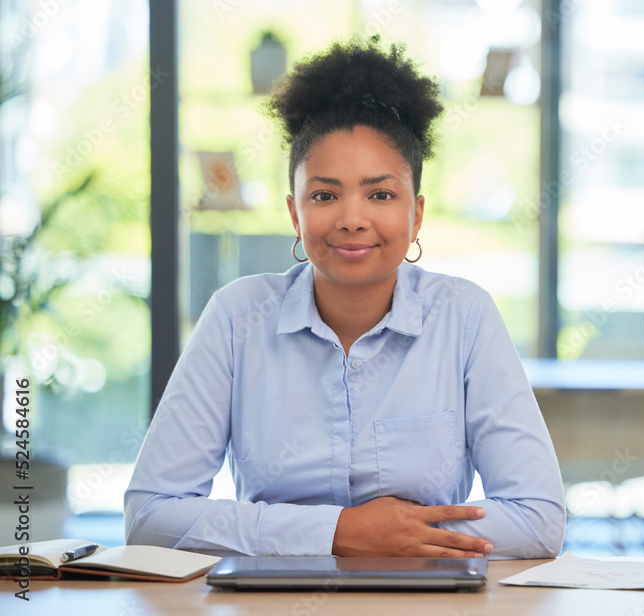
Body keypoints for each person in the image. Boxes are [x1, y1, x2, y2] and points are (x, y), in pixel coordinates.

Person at [124, 37, 565, 559]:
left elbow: (538, 520)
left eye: (380, 194)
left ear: (416, 214)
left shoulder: (464, 318)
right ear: (295, 214)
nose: (353, 218)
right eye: (325, 195)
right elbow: (151, 516)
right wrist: (341, 533)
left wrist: (403, 539)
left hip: (422, 599)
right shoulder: (236, 317)